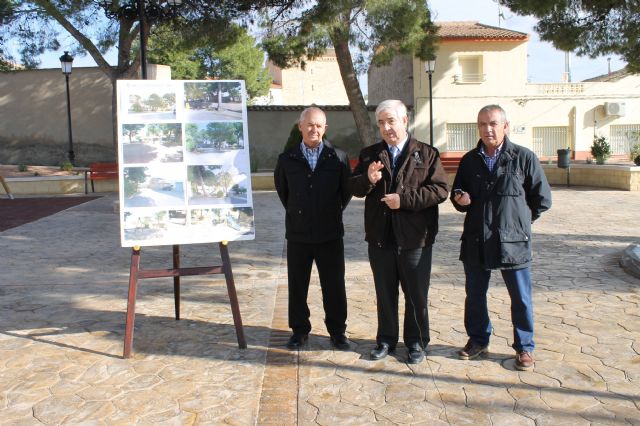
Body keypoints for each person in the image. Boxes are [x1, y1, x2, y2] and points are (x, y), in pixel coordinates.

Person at [451, 104, 552, 371]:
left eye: (493, 123)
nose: (488, 129)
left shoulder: (523, 157)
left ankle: (524, 347)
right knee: (474, 294)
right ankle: (478, 339)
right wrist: (461, 199)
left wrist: (519, 224)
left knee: (520, 297)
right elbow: (457, 194)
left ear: (505, 126)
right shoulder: (470, 160)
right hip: (476, 240)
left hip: (513, 243)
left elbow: (542, 200)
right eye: (483, 124)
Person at [349, 99, 449, 364]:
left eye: (391, 121)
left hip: (415, 238)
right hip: (381, 238)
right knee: (385, 292)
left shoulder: (427, 154)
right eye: (381, 123)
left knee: (416, 294)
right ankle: (386, 340)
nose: (386, 128)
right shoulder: (370, 154)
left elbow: (440, 190)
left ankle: (416, 343)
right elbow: (355, 188)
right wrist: (368, 180)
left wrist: (403, 200)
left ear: (405, 121)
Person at [274, 106, 352, 350]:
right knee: (298, 285)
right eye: (309, 124)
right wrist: (301, 213)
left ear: (325, 128)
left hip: (330, 233)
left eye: (319, 125)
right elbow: (283, 192)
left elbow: (346, 192)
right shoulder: (287, 159)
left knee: (334, 285)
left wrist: (329, 212)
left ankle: (337, 332)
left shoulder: (338, 157)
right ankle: (299, 331)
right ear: (300, 127)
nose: (314, 129)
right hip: (298, 234)